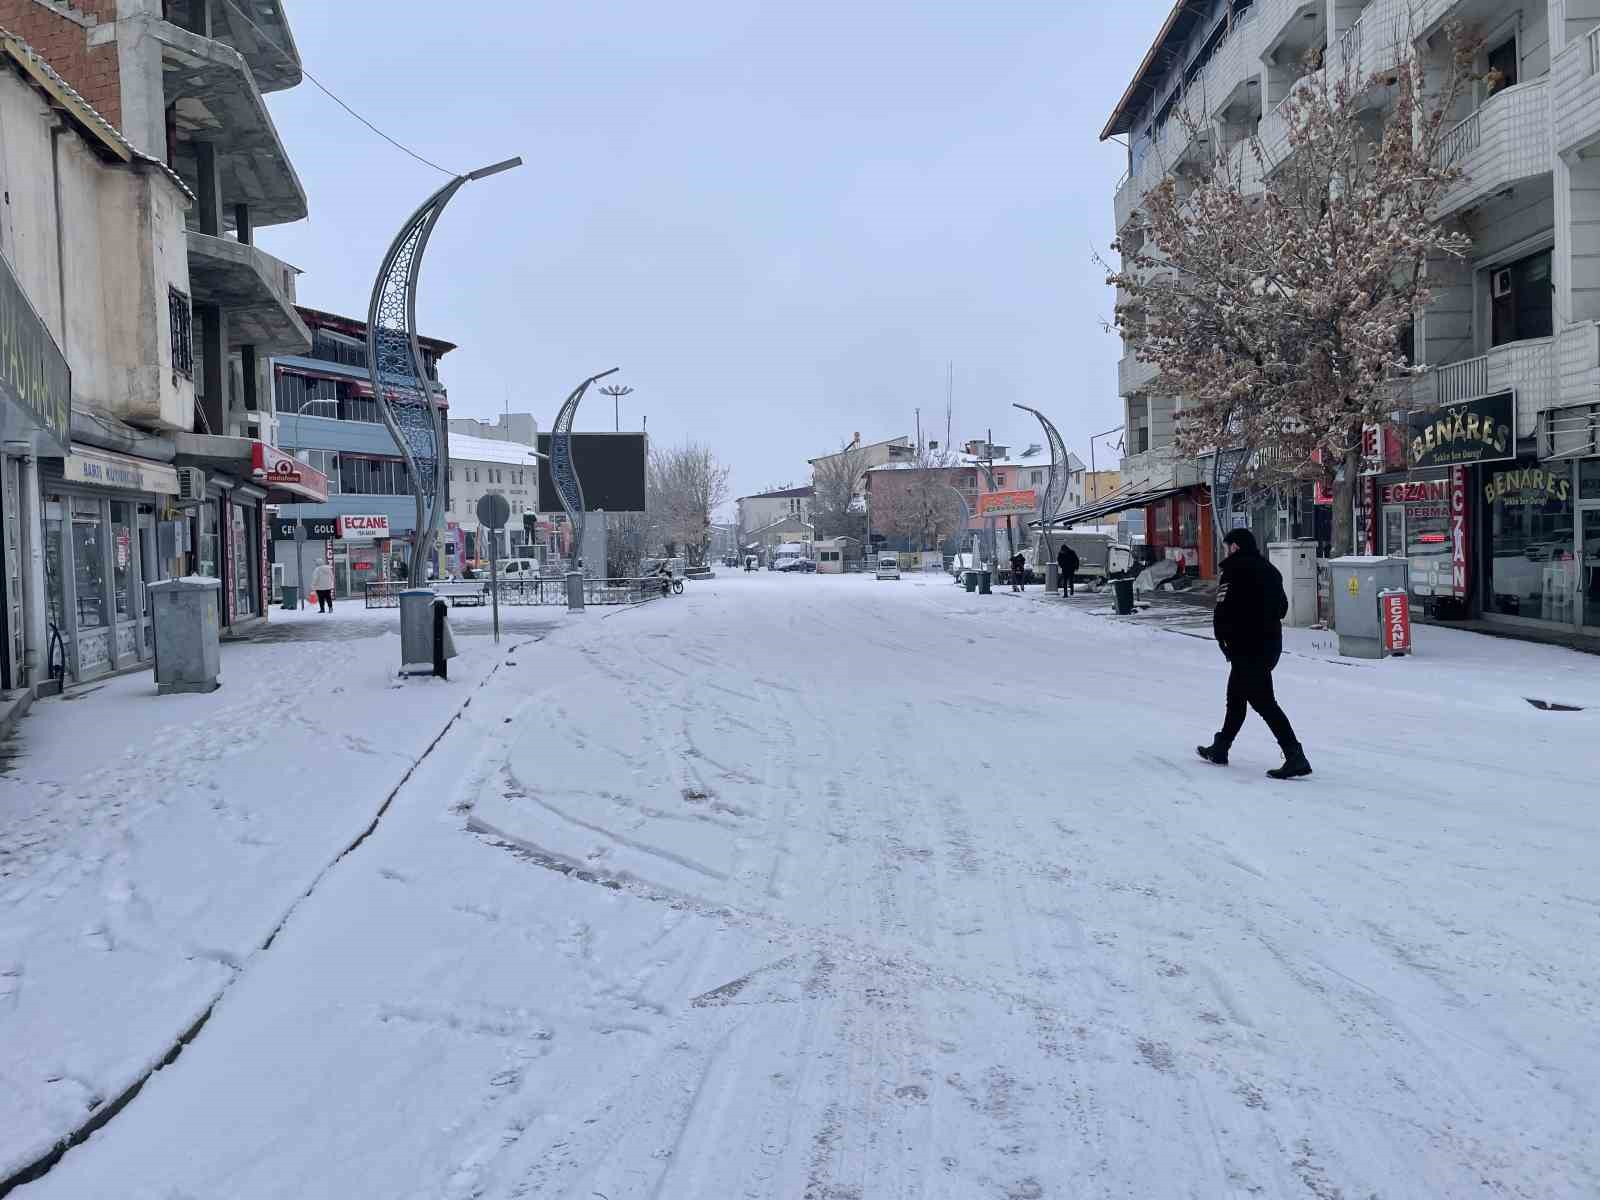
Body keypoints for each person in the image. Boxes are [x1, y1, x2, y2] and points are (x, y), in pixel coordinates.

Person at [1197, 528, 1312, 779]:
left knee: (1263, 702)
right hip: (1268, 646)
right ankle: (1221, 747)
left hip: (1245, 647)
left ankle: (1295, 755)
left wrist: (1223, 638)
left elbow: (1223, 609)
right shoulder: (1270, 571)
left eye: (1228, 546)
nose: (1227, 550)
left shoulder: (1235, 570)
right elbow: (1282, 608)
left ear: (1236, 547)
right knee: (1236, 698)